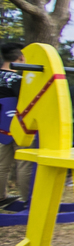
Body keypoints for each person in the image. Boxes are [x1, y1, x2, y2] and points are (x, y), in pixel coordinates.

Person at [0, 41, 29, 208]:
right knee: (24, 162)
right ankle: (27, 199)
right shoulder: (17, 80)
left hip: (0, 126)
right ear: (21, 58)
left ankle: (1, 197)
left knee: (1, 164)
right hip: (18, 125)